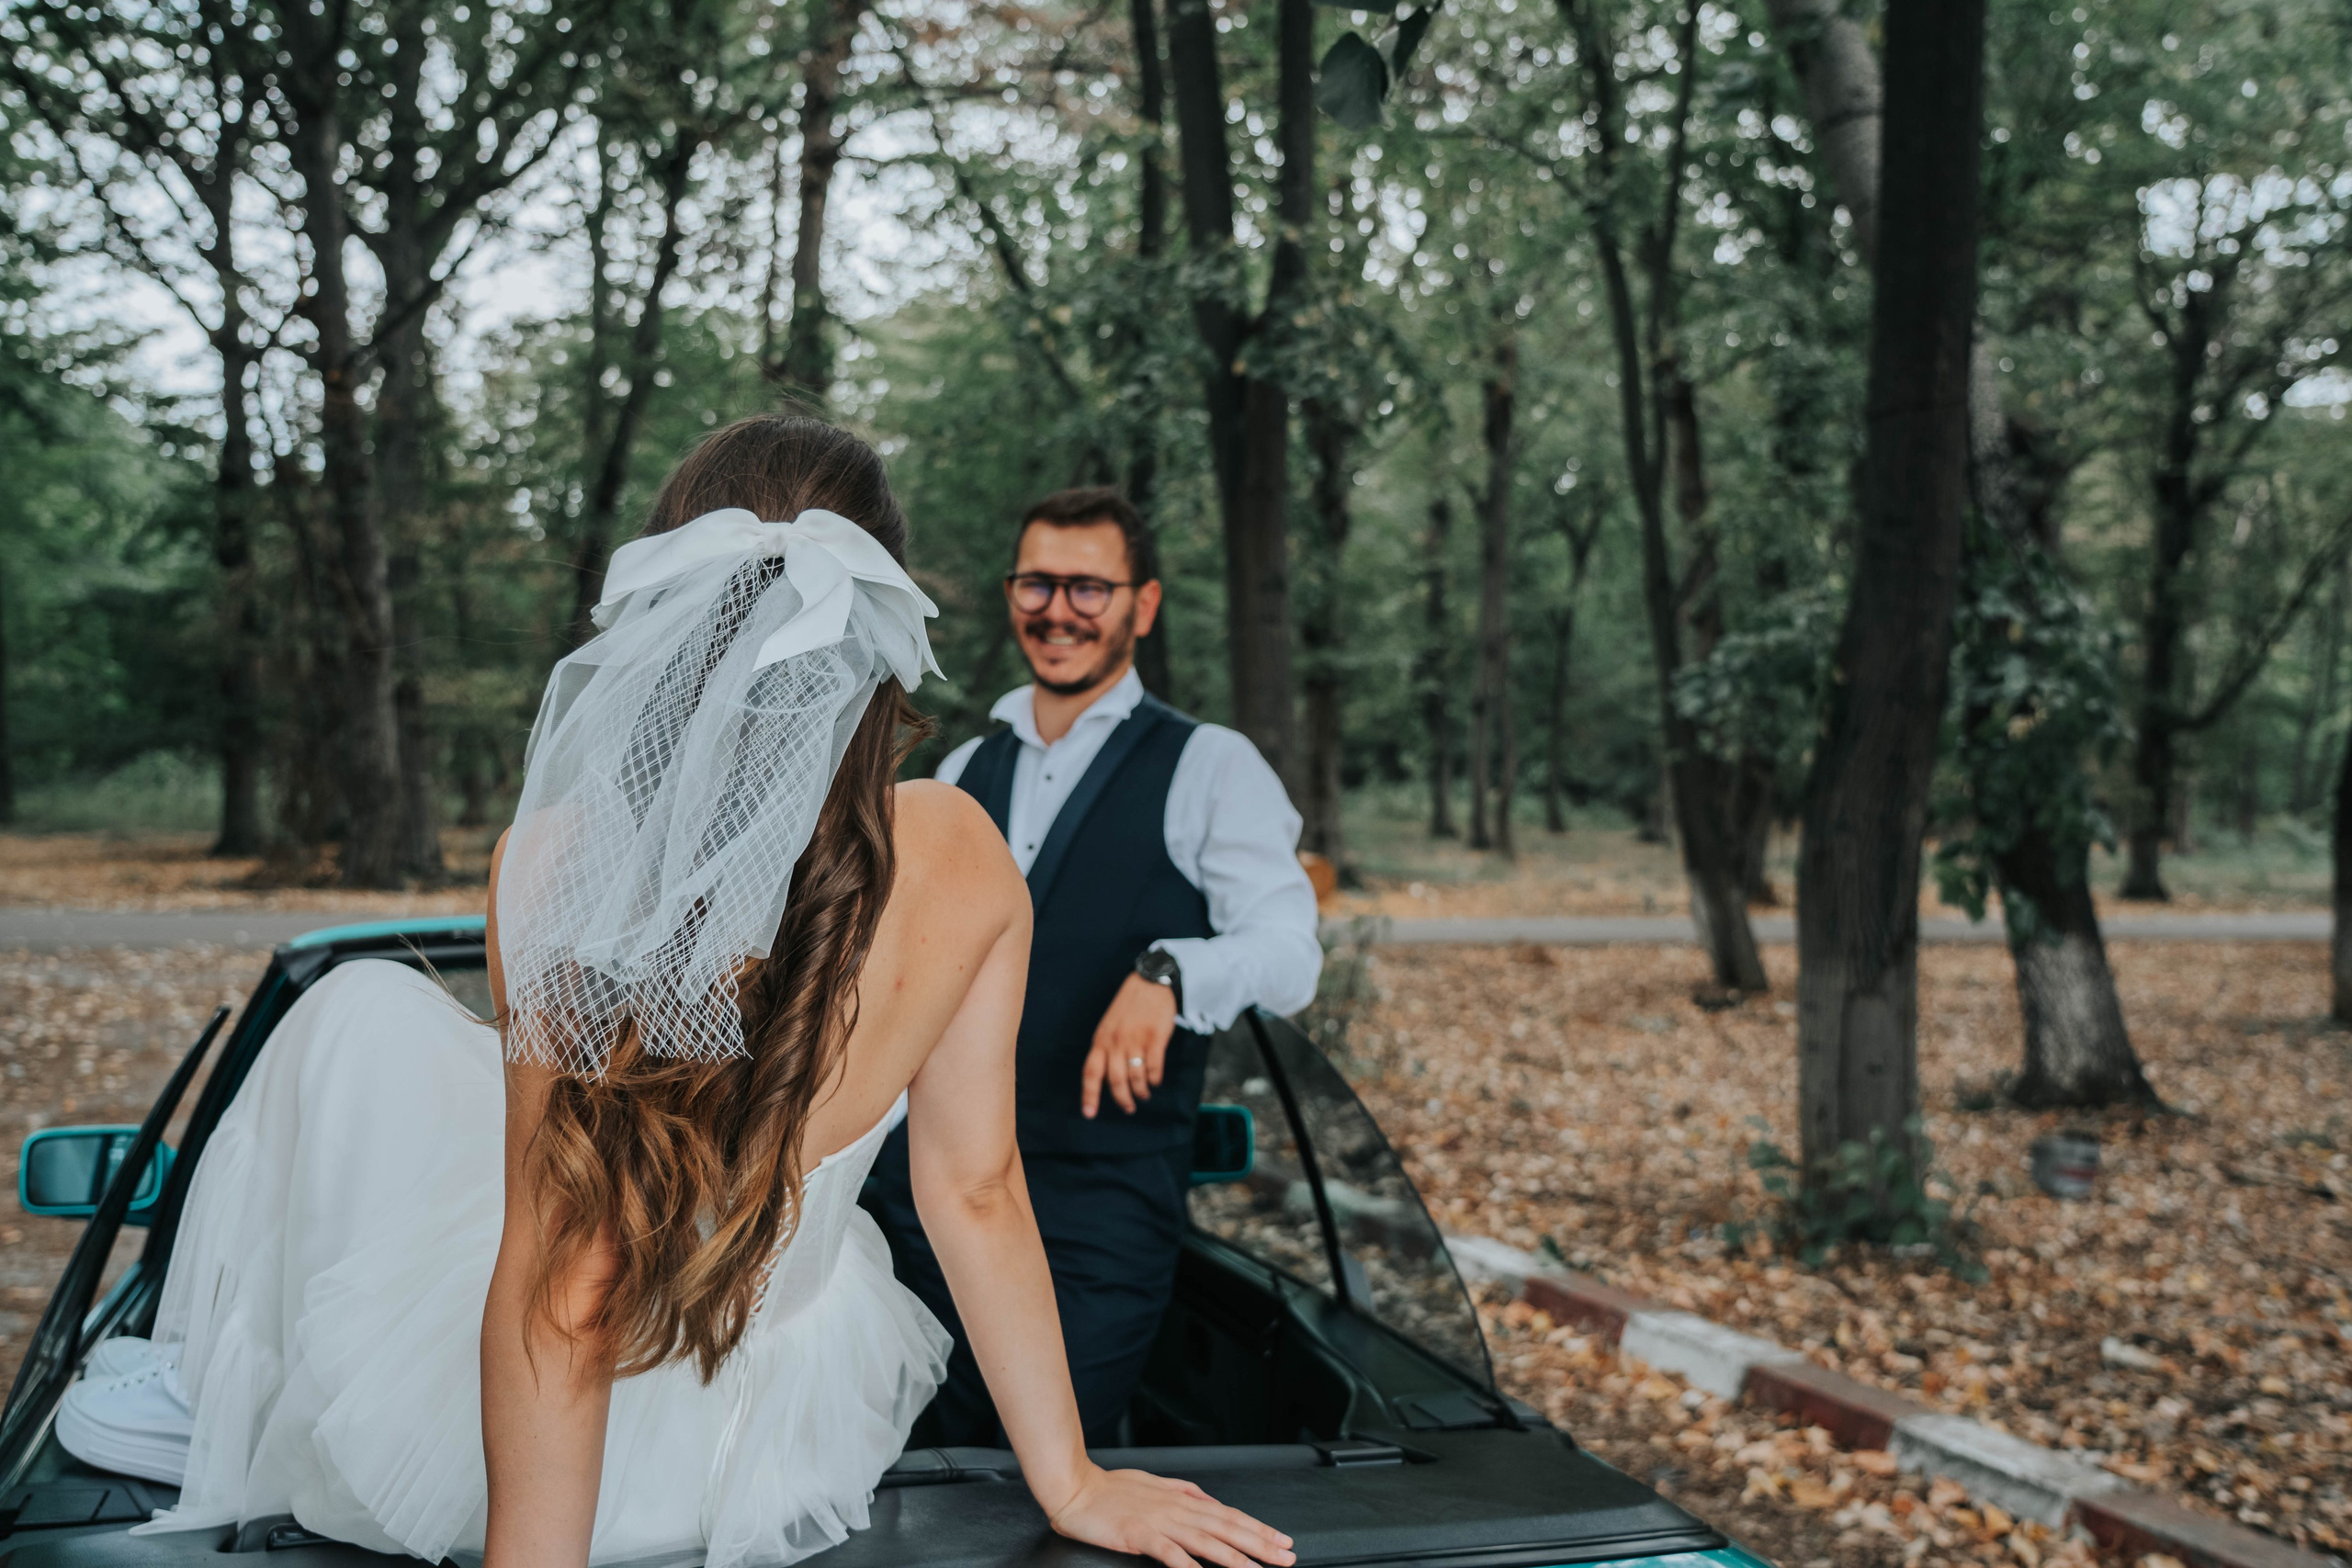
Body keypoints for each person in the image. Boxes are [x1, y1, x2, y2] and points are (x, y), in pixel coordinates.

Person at [55, 420, 1294, 1568]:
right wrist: (1070, 1477)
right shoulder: (966, 847)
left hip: (532, 1467)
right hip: (772, 1448)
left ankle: (224, 1380)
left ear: (672, 604)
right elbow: (972, 1188)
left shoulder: (559, 855)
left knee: (360, 1022)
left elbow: (569, 1289)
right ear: (875, 614)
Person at [862, 486, 1323, 1450]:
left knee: (1029, 1475)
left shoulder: (1211, 766)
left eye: (1087, 586)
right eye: (1037, 583)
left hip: (1096, 1223)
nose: (1057, 609)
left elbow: (1289, 956)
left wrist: (1170, 973)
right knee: (900, 1467)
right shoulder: (957, 778)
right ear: (1010, 591)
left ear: (1141, 606)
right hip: (918, 1211)